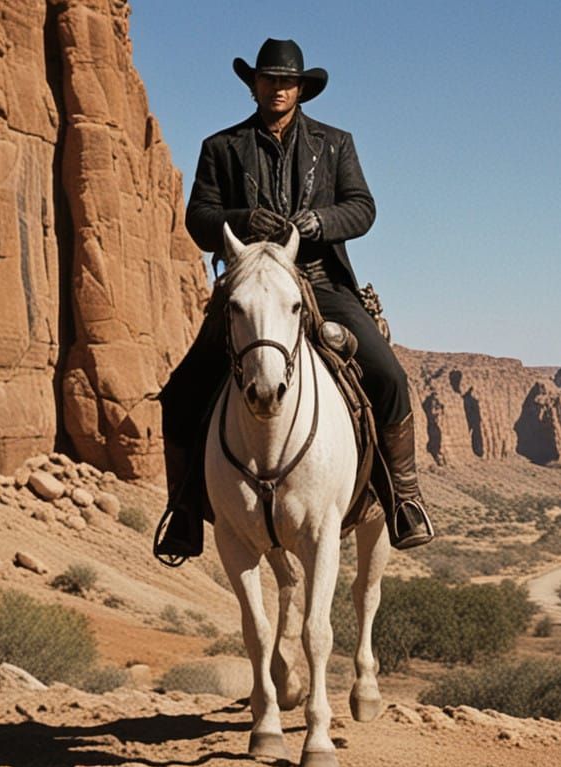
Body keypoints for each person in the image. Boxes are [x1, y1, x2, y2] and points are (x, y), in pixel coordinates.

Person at [153, 38, 433, 564]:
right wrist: (242, 220)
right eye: (269, 79)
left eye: (287, 81)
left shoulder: (336, 144)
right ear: (254, 85)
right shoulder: (221, 146)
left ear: (301, 89)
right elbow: (199, 219)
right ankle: (184, 513)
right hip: (250, 282)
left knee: (388, 376)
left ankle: (403, 498)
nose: (277, 88)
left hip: (320, 280)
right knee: (183, 390)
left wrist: (319, 222)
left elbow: (362, 207)